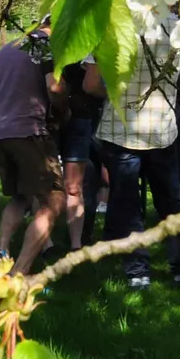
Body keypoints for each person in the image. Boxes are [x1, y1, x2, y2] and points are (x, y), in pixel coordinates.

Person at [97, 44, 180, 290]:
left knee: (127, 206)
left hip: (120, 128)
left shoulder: (111, 29)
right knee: (171, 203)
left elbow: (91, 85)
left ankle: (138, 273)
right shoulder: (177, 30)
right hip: (161, 128)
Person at [0, 23, 64, 275]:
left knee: (20, 196)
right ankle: (20, 272)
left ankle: (1, 251)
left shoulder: (6, 49)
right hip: (29, 132)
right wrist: (63, 112)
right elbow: (54, 87)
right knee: (53, 200)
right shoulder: (44, 46)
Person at [56, 56, 105, 249]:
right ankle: (78, 239)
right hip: (76, 115)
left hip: (75, 115)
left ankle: (78, 240)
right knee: (80, 183)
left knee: (79, 182)